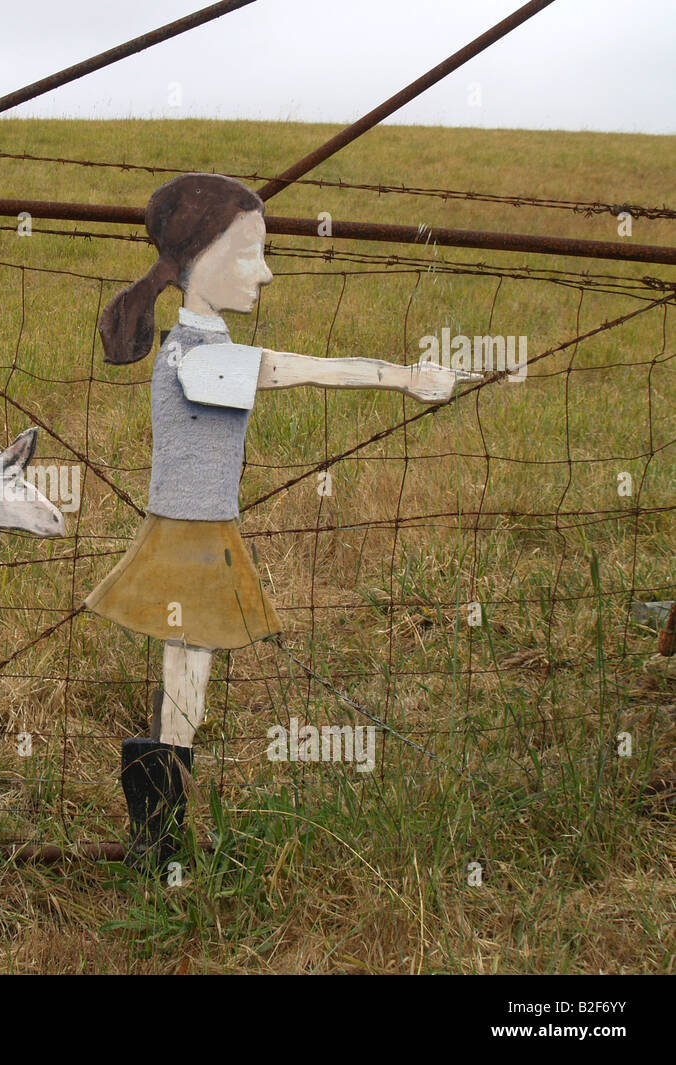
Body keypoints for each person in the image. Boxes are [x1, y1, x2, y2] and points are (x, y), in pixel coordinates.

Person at [88, 172, 479, 867]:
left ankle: (161, 829)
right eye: (247, 254)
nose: (264, 273)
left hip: (200, 535)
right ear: (196, 261)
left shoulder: (203, 351)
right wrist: (403, 377)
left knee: (187, 684)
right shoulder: (197, 361)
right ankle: (159, 833)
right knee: (185, 684)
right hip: (187, 542)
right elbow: (299, 369)